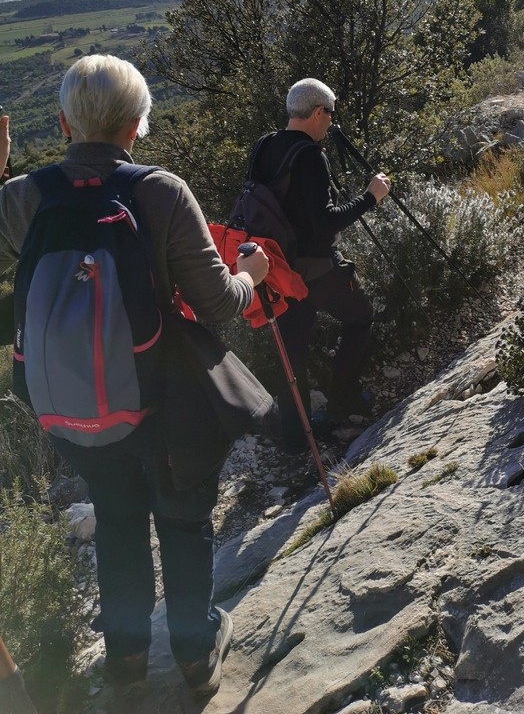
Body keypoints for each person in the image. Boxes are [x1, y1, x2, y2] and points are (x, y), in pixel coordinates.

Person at [0, 56, 269, 698]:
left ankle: (124, 661)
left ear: (63, 122)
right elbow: (218, 303)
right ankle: (195, 654)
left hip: (68, 406)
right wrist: (252, 275)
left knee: (118, 522)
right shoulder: (161, 192)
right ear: (137, 125)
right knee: (181, 520)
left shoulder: (21, 198)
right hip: (160, 402)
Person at [246, 78, 391, 453]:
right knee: (360, 317)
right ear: (316, 113)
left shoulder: (265, 145)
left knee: (293, 352)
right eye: (330, 113)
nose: (331, 122)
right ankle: (343, 399)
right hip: (316, 269)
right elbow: (326, 221)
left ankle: (296, 439)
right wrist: (371, 197)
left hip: (277, 270)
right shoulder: (310, 156)